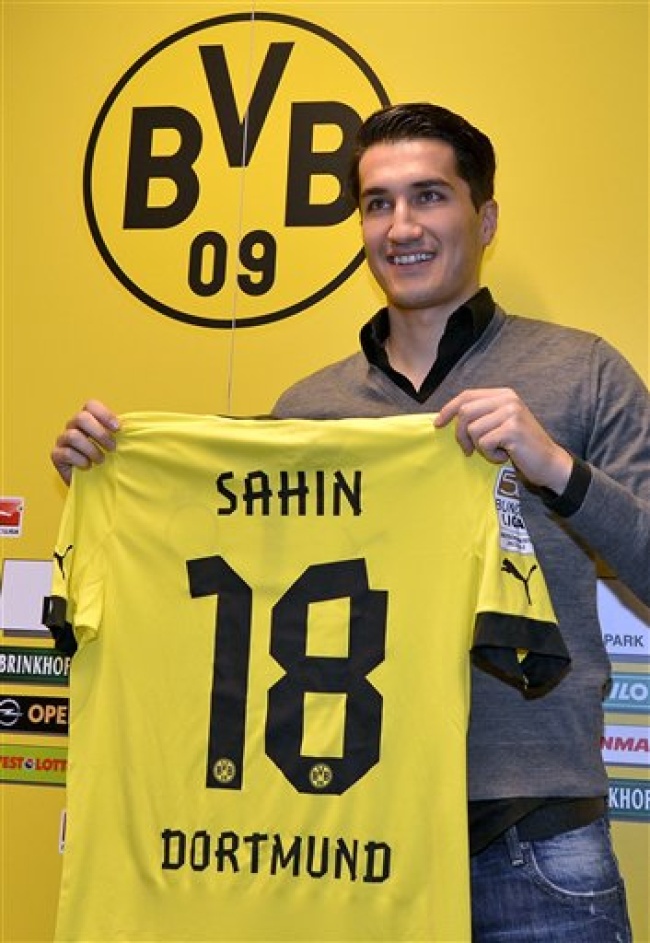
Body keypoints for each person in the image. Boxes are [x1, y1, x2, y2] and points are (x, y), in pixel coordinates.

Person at [51, 102, 649, 942]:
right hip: (345, 844)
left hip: (533, 844)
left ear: (485, 219)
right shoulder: (308, 412)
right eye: (377, 203)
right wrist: (112, 484)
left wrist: (555, 467)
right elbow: (226, 608)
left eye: (429, 196)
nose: (401, 226)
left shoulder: (582, 372)